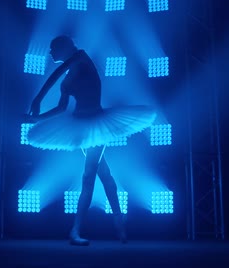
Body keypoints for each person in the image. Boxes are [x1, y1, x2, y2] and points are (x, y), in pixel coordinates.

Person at [26, 35, 156, 246]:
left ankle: (75, 231)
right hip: (81, 127)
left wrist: (38, 98)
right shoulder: (67, 78)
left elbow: (55, 75)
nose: (50, 53)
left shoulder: (80, 57)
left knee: (88, 178)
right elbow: (61, 108)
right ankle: (119, 220)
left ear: (64, 47)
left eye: (53, 48)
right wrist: (36, 118)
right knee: (104, 174)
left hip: (95, 125)